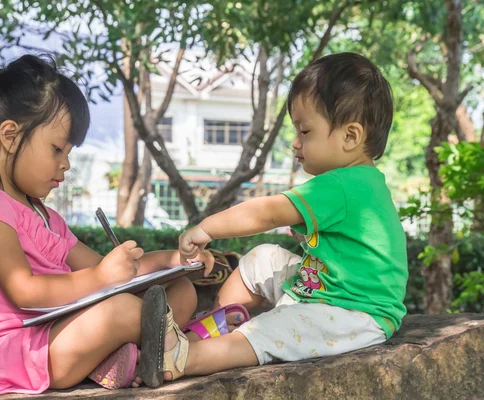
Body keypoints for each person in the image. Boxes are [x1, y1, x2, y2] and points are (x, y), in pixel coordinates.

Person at [0, 54, 214, 399]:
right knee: (121, 311)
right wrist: (102, 278)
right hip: (25, 353)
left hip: (67, 336)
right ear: (10, 136)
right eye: (57, 148)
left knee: (180, 291)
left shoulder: (47, 218)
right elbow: (23, 290)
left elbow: (113, 270)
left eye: (69, 151)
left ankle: (123, 362)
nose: (66, 164)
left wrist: (175, 261)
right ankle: (176, 353)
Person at [138, 52, 408, 387]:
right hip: (329, 291)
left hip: (354, 313)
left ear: (350, 136)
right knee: (263, 259)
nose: (296, 142)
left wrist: (207, 228)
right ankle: (219, 324)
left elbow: (266, 212)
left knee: (272, 329)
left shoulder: (341, 185)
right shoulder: (359, 182)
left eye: (305, 131)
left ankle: (182, 357)